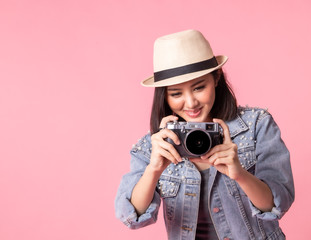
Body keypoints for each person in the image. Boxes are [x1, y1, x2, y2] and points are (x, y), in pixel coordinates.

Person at [115, 29, 294, 240]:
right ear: (164, 96)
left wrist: (239, 174)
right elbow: (131, 216)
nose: (191, 103)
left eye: (199, 88)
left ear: (216, 78)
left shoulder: (256, 126)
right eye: (176, 94)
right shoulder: (153, 145)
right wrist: (154, 169)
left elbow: (276, 205)